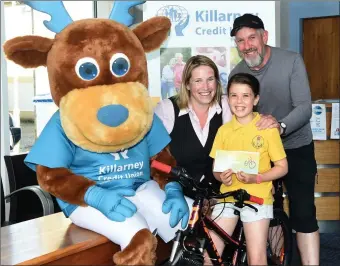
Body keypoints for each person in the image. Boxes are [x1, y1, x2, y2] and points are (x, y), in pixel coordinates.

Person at [229, 13, 319, 265]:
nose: (246, 46)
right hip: (259, 153)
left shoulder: (291, 61)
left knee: (303, 213)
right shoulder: (237, 72)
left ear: (264, 36)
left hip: (296, 145)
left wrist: (279, 127)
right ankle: (276, 258)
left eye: (251, 38)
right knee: (264, 211)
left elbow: (304, 107)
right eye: (240, 41)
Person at [154, 55, 276, 197]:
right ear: (187, 84)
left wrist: (262, 179)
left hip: (219, 194)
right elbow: (153, 155)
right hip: (177, 195)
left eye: (210, 79)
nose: (205, 87)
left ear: (217, 82)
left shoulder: (227, 105)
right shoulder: (167, 109)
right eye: (198, 81)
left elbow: (249, 139)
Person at [209, 73, 288, 265]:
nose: (239, 101)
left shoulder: (267, 128)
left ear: (256, 99)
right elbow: (216, 170)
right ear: (227, 99)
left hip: (257, 198)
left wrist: (257, 178)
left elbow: (282, 167)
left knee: (256, 257)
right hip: (228, 196)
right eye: (234, 95)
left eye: (246, 95)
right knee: (210, 255)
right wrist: (223, 177)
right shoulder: (223, 131)